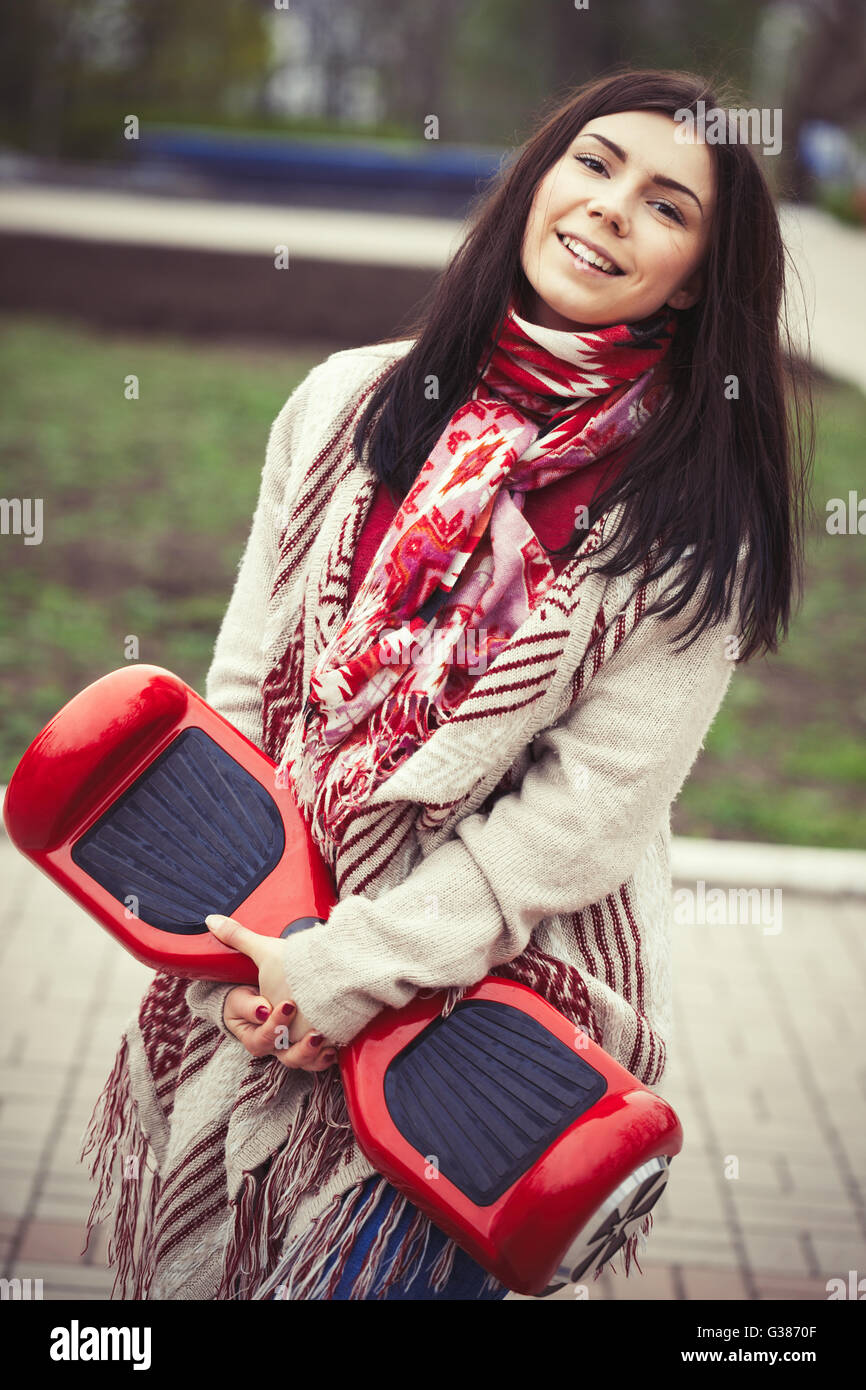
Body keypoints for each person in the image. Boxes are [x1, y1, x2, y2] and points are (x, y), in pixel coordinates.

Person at [81, 67, 813, 1301]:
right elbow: (249, 686)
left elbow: (579, 822)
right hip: (270, 948)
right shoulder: (344, 401)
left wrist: (355, 965)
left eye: (666, 205)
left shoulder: (692, 514)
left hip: (480, 1010)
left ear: (695, 276)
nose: (609, 209)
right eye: (591, 164)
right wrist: (253, 947)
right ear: (536, 180)